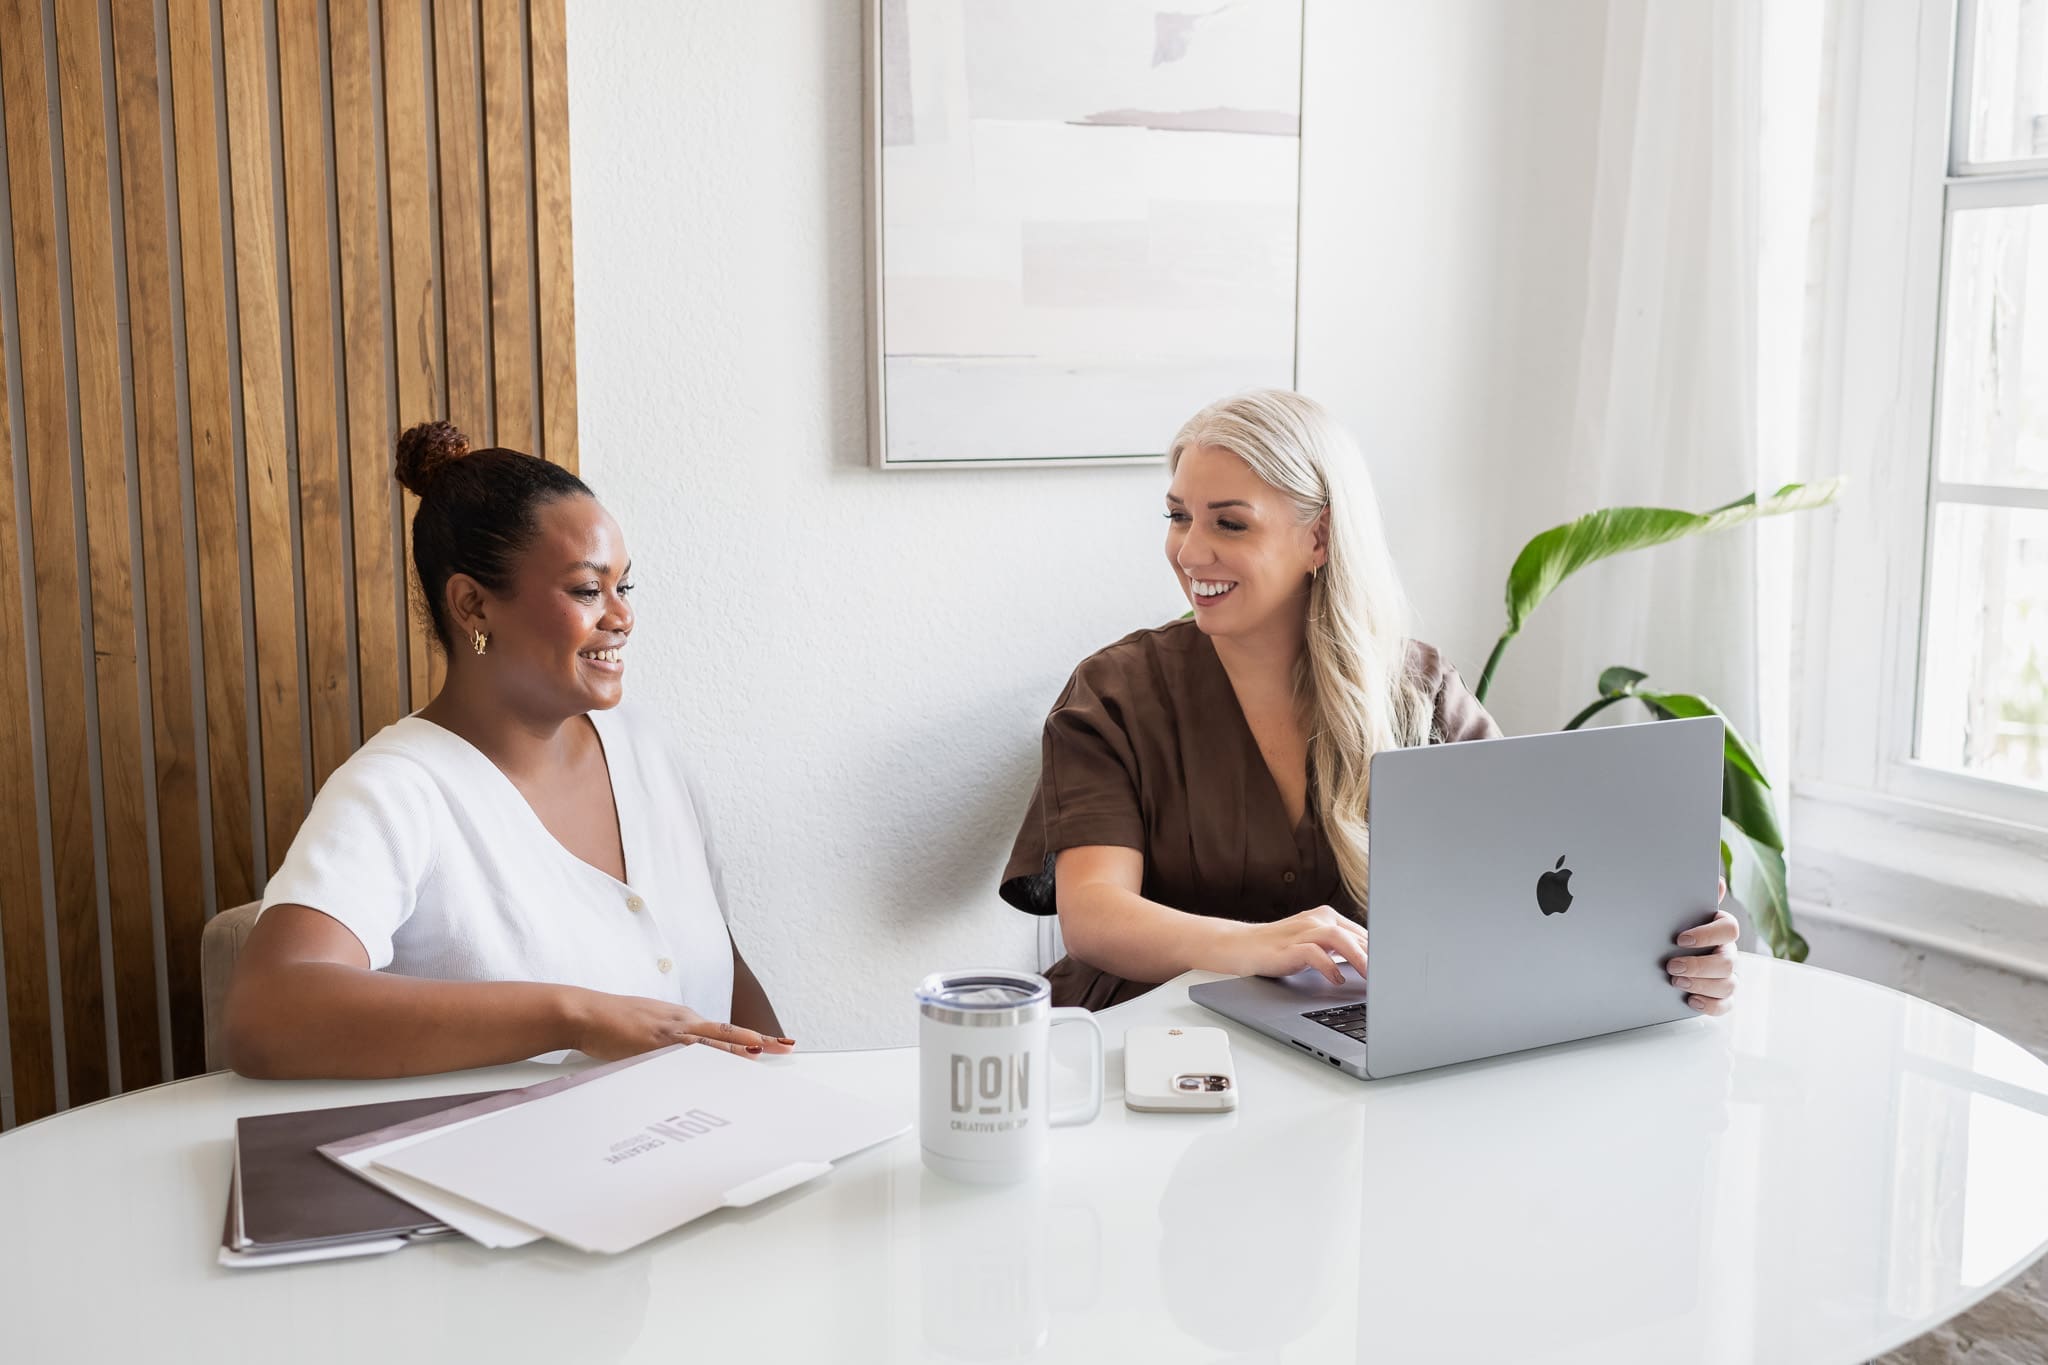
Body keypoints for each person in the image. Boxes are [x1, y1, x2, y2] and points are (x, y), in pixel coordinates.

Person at [1000, 389, 1739, 1012]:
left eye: (1229, 522)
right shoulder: (1115, 694)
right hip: (1150, 1042)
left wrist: (1674, 949)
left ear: (1319, 537)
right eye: (1178, 516)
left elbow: (1532, 870)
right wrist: (1255, 945)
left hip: (1351, 1039)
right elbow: (1095, 917)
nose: (1190, 551)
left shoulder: (1419, 691)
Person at [223, 421, 793, 1078]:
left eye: (624, 587)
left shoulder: (647, 747)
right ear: (472, 605)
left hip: (710, 1136)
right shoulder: (397, 792)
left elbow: (724, 969)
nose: (622, 616)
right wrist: (573, 1015)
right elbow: (265, 1014)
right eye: (588, 590)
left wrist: (791, 1095)